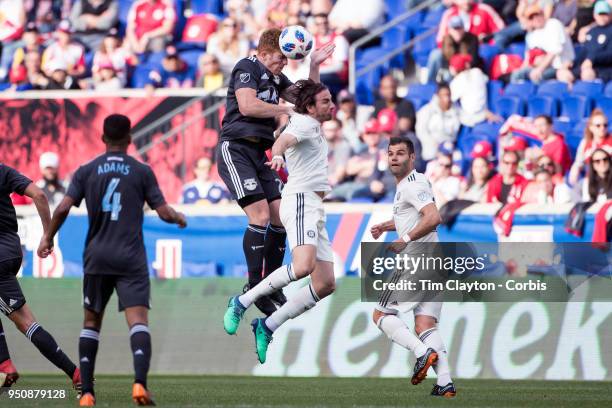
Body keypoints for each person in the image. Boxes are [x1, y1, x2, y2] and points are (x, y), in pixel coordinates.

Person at [37, 114, 187, 406]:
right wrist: (180, 219)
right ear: (129, 139)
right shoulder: (141, 171)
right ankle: (140, 385)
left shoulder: (86, 171)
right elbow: (164, 211)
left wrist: (48, 237)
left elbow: (63, 208)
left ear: (103, 139)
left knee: (91, 323)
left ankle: (88, 393)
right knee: (138, 321)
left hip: (97, 256)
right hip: (131, 256)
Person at [215, 28, 335, 316]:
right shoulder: (247, 67)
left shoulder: (277, 78)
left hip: (260, 153)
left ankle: (271, 284)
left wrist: (314, 66)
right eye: (281, 58)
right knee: (259, 215)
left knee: (280, 217)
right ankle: (254, 285)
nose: (284, 64)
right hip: (236, 148)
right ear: (266, 52)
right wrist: (285, 110)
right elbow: (247, 105)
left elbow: (307, 101)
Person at [223, 80, 336, 364]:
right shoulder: (305, 125)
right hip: (300, 200)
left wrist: (316, 64)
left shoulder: (306, 118)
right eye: (326, 102)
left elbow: (309, 92)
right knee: (302, 266)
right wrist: (277, 154)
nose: (331, 105)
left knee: (325, 284)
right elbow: (284, 141)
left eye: (330, 100)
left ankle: (267, 325)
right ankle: (243, 301)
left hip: (314, 206)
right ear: (310, 107)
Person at [369, 137, 456, 398]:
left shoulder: (412, 183)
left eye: (400, 153)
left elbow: (433, 217)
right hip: (435, 261)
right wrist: (386, 226)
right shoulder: (411, 185)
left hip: (416, 260)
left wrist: (404, 239)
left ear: (412, 157)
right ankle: (445, 383)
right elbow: (415, 217)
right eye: (391, 153)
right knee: (426, 325)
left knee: (381, 316)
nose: (394, 157)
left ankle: (422, 353)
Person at [0, 164, 81, 393]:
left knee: (25, 322)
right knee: (22, 320)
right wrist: (48, 235)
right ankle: (5, 366)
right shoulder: (3, 171)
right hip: (12, 251)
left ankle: (75, 373)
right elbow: (40, 195)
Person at [510, 4, 575, 83]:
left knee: (536, 76)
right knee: (517, 75)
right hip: (541, 67)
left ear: (543, 14)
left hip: (559, 66)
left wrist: (539, 69)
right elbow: (528, 58)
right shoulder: (531, 35)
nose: (536, 19)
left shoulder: (553, 24)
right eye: (531, 18)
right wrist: (523, 68)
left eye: (538, 15)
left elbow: (554, 52)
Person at [559, 2, 612, 83]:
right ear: (594, 15)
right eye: (600, 14)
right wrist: (572, 62)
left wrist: (592, 59)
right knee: (562, 72)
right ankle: (571, 94)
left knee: (587, 73)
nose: (602, 17)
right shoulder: (592, 31)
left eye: (605, 14)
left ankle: (589, 95)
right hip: (586, 67)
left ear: (610, 15)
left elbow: (609, 54)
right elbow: (584, 51)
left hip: (604, 68)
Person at [427, 15, 480, 83]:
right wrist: (452, 69)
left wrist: (458, 66)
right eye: (455, 28)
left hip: (466, 70)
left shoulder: (472, 38)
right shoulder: (446, 39)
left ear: (464, 28)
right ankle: (430, 85)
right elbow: (445, 58)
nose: (457, 31)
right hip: (451, 70)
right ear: (450, 30)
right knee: (435, 54)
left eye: (459, 28)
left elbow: (473, 60)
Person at [416, 83, 461, 162]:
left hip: (449, 146)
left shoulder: (457, 110)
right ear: (437, 96)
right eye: (443, 95)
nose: (446, 98)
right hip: (431, 148)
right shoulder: (426, 110)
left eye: (448, 95)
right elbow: (421, 131)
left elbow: (456, 132)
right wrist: (434, 146)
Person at [570, 109, 612, 184]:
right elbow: (578, 163)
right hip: (591, 181)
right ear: (591, 127)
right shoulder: (585, 143)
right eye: (598, 126)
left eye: (605, 125)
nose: (602, 128)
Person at [437, 0, 505, 46]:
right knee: (436, 55)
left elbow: (502, 32)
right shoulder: (449, 14)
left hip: (481, 49)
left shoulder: (484, 10)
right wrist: (452, 39)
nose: (466, 1)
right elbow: (440, 41)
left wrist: (487, 39)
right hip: (457, 53)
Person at [322, 118, 352, 187]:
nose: (327, 132)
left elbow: (339, 174)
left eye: (331, 130)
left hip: (336, 186)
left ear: (338, 130)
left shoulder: (344, 146)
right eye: (325, 130)